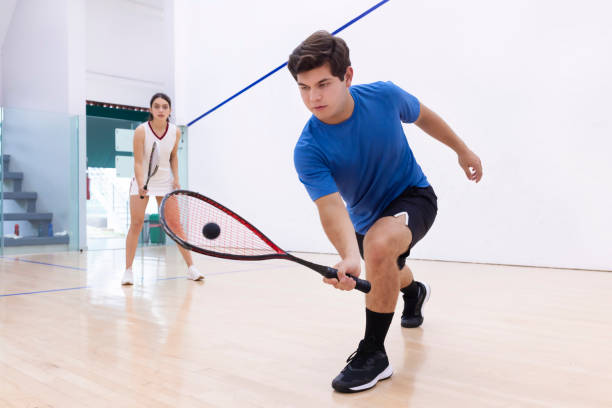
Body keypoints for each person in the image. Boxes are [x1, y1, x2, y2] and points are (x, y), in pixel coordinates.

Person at [288, 31, 482, 393]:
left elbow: (424, 116)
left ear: (347, 76)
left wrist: (462, 150)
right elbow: (331, 207)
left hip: (413, 196)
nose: (313, 97)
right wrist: (348, 254)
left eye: (323, 84)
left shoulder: (383, 96)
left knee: (378, 247)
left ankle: (374, 354)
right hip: (364, 220)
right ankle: (415, 291)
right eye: (303, 87)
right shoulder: (308, 149)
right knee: (386, 267)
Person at [121, 93, 203, 285]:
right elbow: (138, 161)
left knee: (176, 226)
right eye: (156, 106)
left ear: (170, 111)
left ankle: (191, 268)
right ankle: (128, 271)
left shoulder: (175, 132)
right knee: (136, 224)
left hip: (165, 183)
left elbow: (173, 156)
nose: (160, 110)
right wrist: (141, 184)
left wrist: (176, 179)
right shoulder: (141, 131)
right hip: (141, 183)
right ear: (150, 110)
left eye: (164, 107)